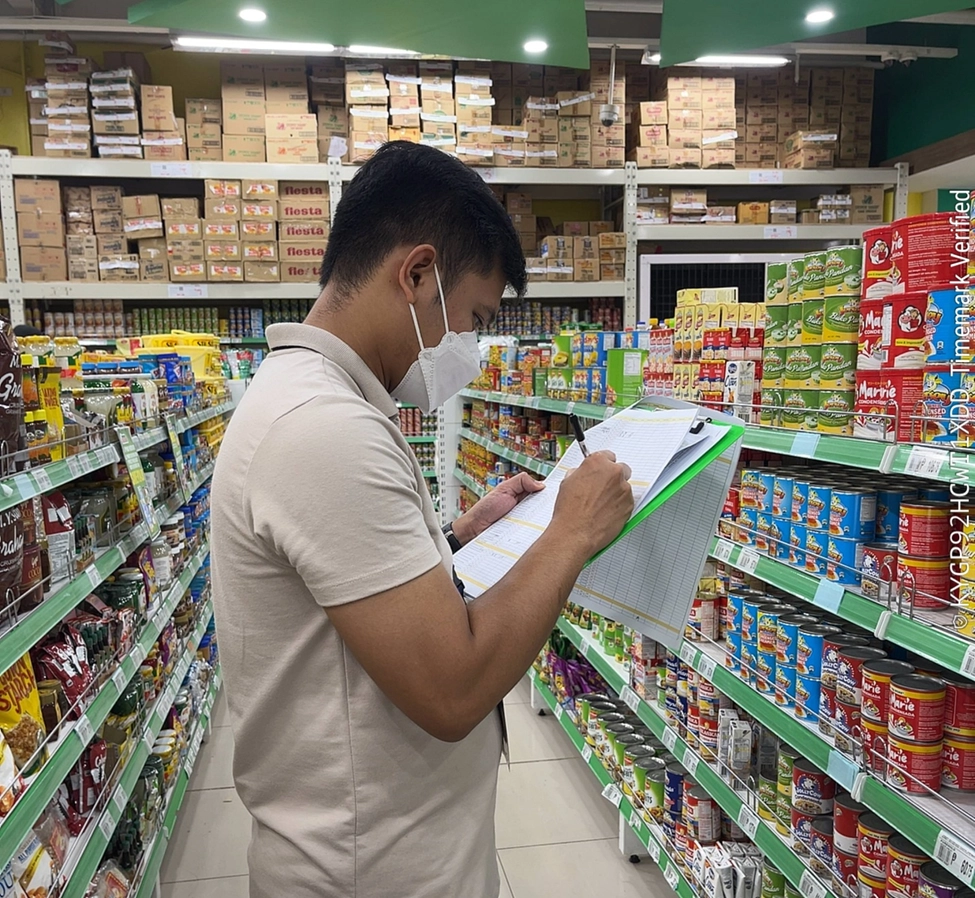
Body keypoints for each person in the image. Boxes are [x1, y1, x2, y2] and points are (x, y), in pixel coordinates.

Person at [211, 141, 634, 898]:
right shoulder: (324, 429)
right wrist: (573, 529)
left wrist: (457, 539)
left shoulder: (315, 403)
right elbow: (451, 690)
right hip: (367, 870)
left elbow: (342, 599)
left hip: (381, 851)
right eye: (471, 317)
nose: (468, 346)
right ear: (415, 274)